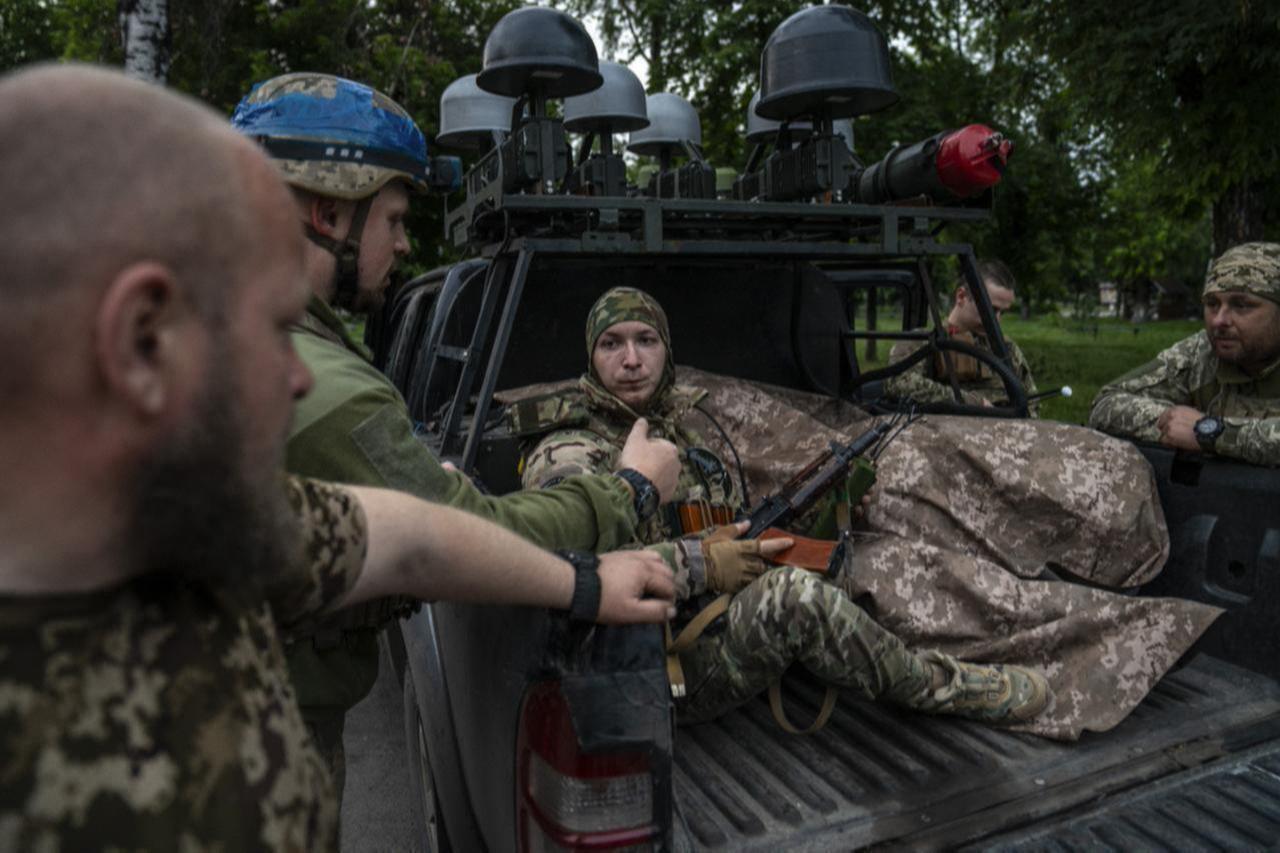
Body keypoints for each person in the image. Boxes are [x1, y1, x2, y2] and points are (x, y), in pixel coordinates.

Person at [0, 64, 675, 850]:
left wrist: (584, 580)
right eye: (265, 330)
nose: (296, 376)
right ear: (135, 336)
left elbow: (408, 535)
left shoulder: (191, 505)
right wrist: (625, 490)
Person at [229, 72, 681, 794]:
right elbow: (460, 535)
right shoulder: (320, 388)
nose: (406, 243)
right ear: (326, 211)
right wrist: (628, 487)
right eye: (395, 218)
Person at [515, 287, 1224, 740]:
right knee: (796, 595)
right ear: (591, 357)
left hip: (713, 615)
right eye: (613, 344)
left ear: (668, 352)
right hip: (650, 666)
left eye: (646, 341)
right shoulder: (572, 449)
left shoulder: (692, 430)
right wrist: (707, 562)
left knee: (853, 560)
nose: (631, 359)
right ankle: (975, 692)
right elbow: (573, 566)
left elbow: (718, 521)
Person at [1090, 242, 1280, 465]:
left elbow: (1204, 433)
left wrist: (1210, 433)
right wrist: (1170, 423)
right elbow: (1106, 404)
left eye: (1242, 305)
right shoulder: (1202, 353)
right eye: (1212, 304)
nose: (1219, 320)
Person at [883, 259, 1039, 411]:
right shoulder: (922, 341)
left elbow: (1031, 403)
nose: (996, 319)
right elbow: (898, 384)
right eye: (991, 309)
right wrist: (971, 402)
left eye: (1002, 312)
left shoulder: (1007, 348)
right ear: (961, 296)